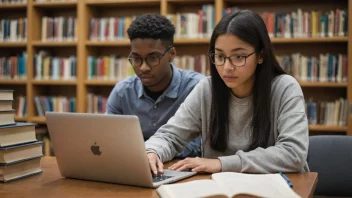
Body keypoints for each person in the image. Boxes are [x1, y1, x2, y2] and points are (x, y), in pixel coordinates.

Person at [145, 9, 310, 175]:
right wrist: (152, 151)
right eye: (220, 56)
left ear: (261, 55)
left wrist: (221, 163)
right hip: (219, 188)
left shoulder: (285, 88)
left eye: (238, 57)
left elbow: (293, 153)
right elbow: (171, 136)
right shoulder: (207, 89)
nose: (227, 68)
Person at [106, 13, 205, 158]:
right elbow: (110, 140)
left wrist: (153, 152)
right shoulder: (122, 92)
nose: (144, 67)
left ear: (171, 54)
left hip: (184, 171)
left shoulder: (197, 88)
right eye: (136, 59)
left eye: (153, 58)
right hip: (137, 167)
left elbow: (201, 145)